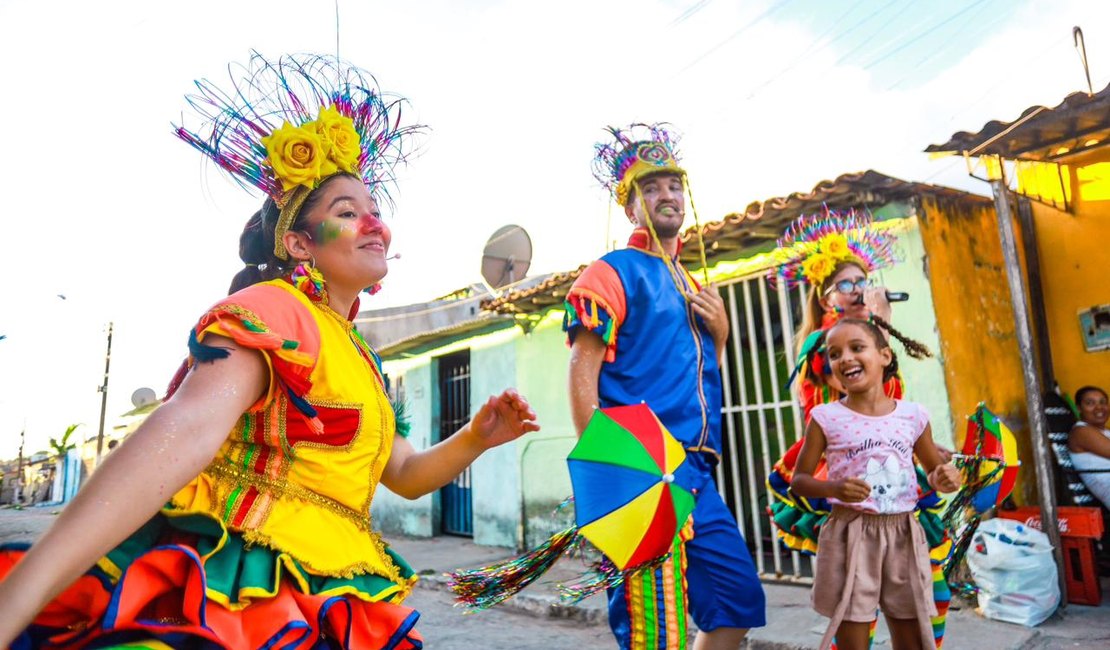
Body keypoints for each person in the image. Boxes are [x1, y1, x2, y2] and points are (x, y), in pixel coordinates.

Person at [0, 53, 540, 649]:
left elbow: (406, 475)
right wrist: (21, 597)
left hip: (331, 589)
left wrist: (476, 436)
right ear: (299, 243)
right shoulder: (279, 310)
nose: (375, 225)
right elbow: (185, 429)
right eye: (347, 212)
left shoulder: (359, 354)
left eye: (376, 213)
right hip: (253, 584)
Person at [565, 123, 765, 650]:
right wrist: (612, 468)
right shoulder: (612, 271)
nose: (666, 195)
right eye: (650, 188)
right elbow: (582, 369)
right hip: (643, 467)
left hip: (698, 471)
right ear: (630, 208)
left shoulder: (696, 285)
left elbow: (701, 377)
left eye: (673, 185)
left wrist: (721, 335)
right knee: (654, 626)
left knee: (735, 603)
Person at [763, 210, 950, 649]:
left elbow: (892, 404)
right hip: (852, 485)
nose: (858, 289)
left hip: (900, 493)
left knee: (928, 593)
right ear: (826, 297)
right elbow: (842, 409)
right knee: (854, 602)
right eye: (846, 283)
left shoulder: (879, 340)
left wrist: (917, 444)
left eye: (862, 279)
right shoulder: (825, 347)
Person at [792, 318, 961, 650]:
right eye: (835, 354)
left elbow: (934, 472)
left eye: (857, 348)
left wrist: (945, 476)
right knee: (853, 637)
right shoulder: (825, 418)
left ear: (884, 356)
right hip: (850, 535)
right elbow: (799, 481)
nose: (845, 359)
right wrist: (833, 489)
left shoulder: (913, 416)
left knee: (911, 636)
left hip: (903, 536)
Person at [1069, 385, 1110, 507]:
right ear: (1079, 408)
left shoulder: (1104, 431)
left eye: (1103, 402)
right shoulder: (1082, 431)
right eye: (1090, 403)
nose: (1099, 408)